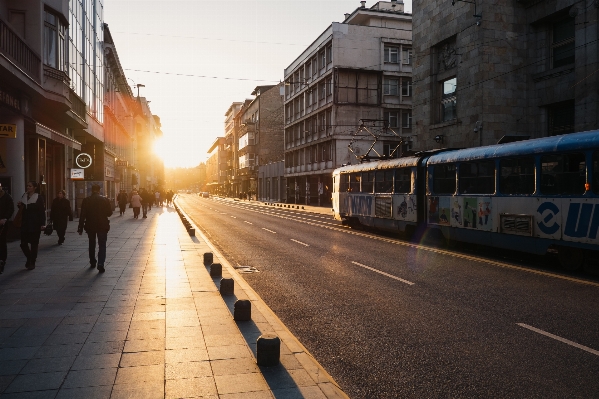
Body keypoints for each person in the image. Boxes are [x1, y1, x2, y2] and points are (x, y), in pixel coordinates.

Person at [77, 184, 112, 272]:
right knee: (102, 245)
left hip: (90, 225)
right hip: (102, 225)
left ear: (91, 191)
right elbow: (109, 213)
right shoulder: (105, 199)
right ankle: (100, 263)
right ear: (99, 190)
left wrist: (80, 227)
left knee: (91, 243)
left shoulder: (86, 200)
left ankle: (92, 261)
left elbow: (82, 215)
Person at [18, 181, 46, 270]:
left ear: (34, 188)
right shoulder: (24, 196)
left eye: (30, 186)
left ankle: (32, 262)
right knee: (23, 244)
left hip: (35, 224)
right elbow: (23, 209)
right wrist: (20, 206)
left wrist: (42, 224)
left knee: (34, 244)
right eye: (27, 186)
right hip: (25, 224)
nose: (28, 187)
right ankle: (29, 258)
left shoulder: (38, 197)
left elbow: (42, 211)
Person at [0, 183, 14, 273]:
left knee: (2, 241)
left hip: (2, 223)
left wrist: (5, 218)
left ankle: (2, 260)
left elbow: (10, 209)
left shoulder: (7, 197)